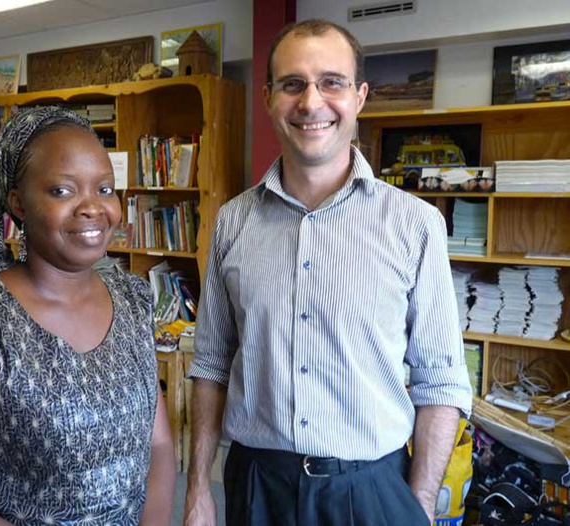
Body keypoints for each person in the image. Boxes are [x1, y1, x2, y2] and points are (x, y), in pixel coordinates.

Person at [183, 19, 473, 526]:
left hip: (372, 489)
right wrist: (197, 493)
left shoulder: (416, 224)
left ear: (360, 96)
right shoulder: (233, 221)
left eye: (331, 82)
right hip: (257, 487)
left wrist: (420, 504)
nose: (311, 102)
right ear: (269, 97)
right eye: (293, 84)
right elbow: (210, 365)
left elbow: (442, 381)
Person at [0, 106, 176, 526]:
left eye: (105, 189)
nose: (93, 208)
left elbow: (160, 446)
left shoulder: (133, 298)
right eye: (62, 191)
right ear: (18, 202)